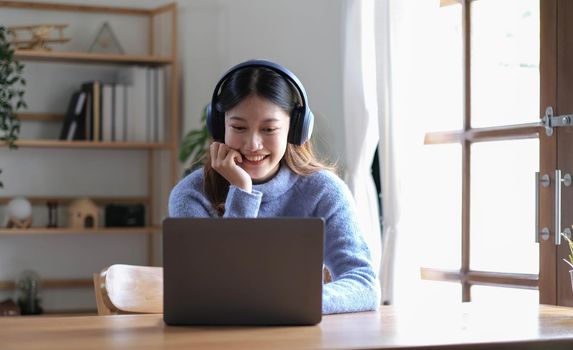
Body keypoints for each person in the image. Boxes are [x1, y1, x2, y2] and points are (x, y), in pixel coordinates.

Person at [168, 60, 380, 314]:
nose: (252, 144)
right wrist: (242, 192)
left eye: (269, 129)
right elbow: (218, 288)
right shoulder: (191, 195)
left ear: (295, 130)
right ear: (218, 126)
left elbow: (364, 283)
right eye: (238, 127)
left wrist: (297, 300)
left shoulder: (324, 191)